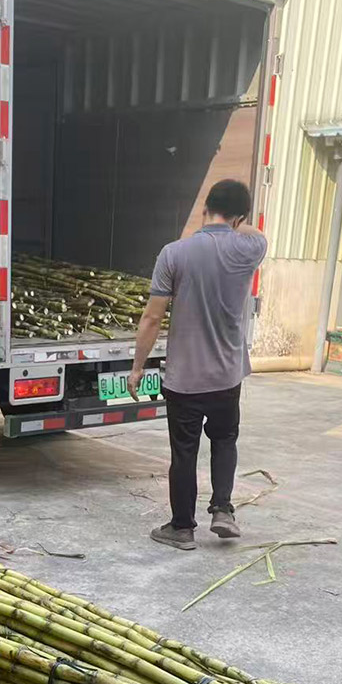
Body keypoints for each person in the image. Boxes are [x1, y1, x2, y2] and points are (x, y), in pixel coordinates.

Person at [128, 179, 267, 550]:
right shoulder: (250, 247)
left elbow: (152, 318)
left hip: (184, 378)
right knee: (225, 440)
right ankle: (222, 509)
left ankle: (182, 528)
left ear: (205, 208)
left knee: (184, 452)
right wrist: (237, 225)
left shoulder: (174, 253)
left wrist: (138, 367)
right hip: (227, 375)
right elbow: (255, 232)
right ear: (240, 217)